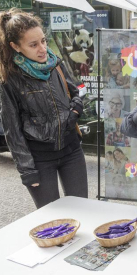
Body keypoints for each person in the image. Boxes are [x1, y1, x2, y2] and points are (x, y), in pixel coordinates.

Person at [0, 9, 88, 208]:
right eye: (33, 44)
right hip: (39, 159)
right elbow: (11, 129)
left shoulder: (54, 63)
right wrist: (27, 171)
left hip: (71, 150)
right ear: (15, 46)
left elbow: (76, 92)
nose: (42, 49)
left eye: (43, 41)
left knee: (83, 210)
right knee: (52, 220)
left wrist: (75, 110)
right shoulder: (10, 80)